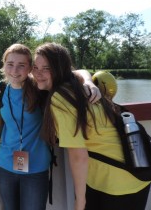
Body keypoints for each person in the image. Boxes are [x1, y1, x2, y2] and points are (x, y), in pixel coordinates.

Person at [32, 42, 151, 210]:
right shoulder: (75, 85)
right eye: (35, 67)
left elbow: (78, 155)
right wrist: (88, 80)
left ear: (59, 69)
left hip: (116, 184)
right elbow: (79, 72)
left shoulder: (60, 98)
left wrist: (80, 201)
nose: (38, 74)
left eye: (46, 68)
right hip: (131, 176)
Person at [0, 44, 51, 210]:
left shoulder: (40, 89)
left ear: (30, 68)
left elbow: (72, 75)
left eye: (21, 65)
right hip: (5, 164)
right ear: (4, 65)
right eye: (10, 64)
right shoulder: (1, 88)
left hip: (36, 167)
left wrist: (89, 83)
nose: (14, 70)